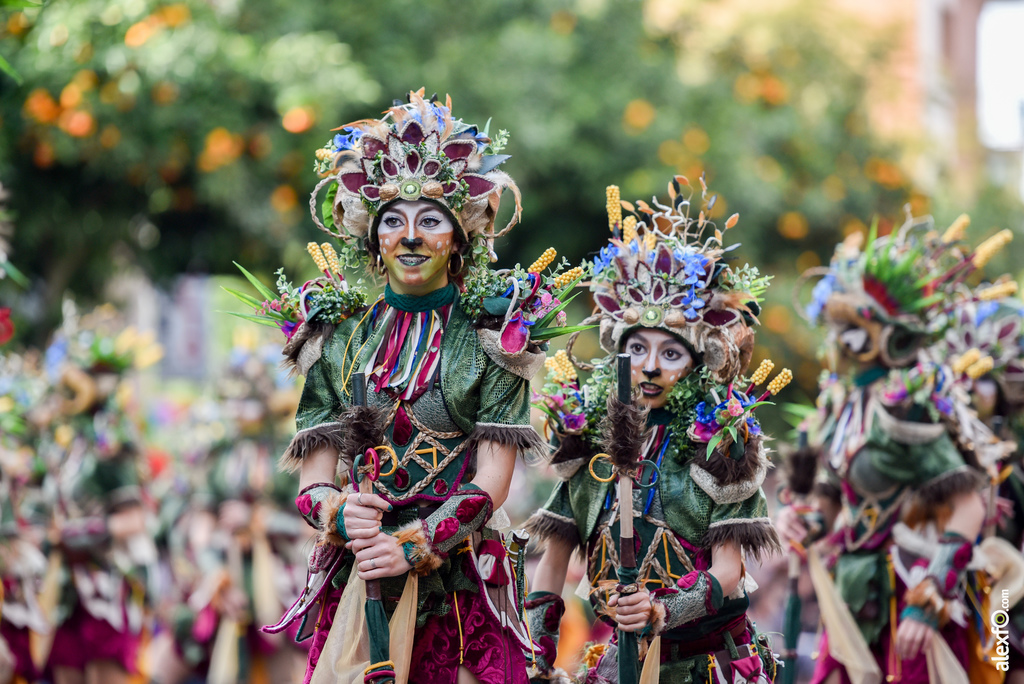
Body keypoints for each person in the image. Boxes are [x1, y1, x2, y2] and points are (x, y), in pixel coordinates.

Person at [251, 89, 583, 684]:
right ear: (373, 238)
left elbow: (493, 483)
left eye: (430, 220)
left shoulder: (492, 340)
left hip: (460, 587)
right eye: (393, 222)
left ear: (458, 238)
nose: (409, 237)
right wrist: (339, 513)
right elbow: (311, 486)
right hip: (362, 577)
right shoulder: (338, 338)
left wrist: (415, 543)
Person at [526, 180, 782, 683]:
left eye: (669, 353)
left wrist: (659, 610)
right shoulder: (589, 436)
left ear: (694, 363)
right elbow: (553, 563)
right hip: (618, 665)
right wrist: (538, 653)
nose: (647, 367)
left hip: (708, 664)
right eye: (636, 348)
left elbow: (728, 574)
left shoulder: (724, 441)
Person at [776, 216, 1020, 684]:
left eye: (851, 328)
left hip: (911, 597)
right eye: (835, 326)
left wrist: (929, 599)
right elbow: (836, 499)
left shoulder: (904, 406)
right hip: (854, 594)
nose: (836, 342)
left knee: (1011, 658)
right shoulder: (844, 404)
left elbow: (966, 505)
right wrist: (804, 522)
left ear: (889, 336)